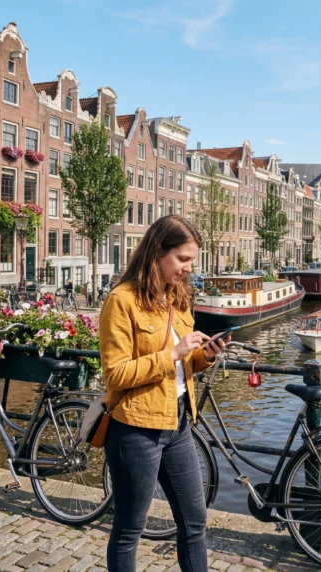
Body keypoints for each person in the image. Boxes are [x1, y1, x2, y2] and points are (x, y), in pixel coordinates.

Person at [99, 215, 227, 572]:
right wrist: (171, 353)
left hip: (179, 422)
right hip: (135, 429)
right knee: (129, 528)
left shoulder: (178, 297)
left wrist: (204, 356)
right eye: (182, 259)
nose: (188, 268)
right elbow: (116, 373)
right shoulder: (121, 301)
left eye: (191, 261)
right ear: (158, 251)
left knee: (195, 520)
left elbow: (183, 367)